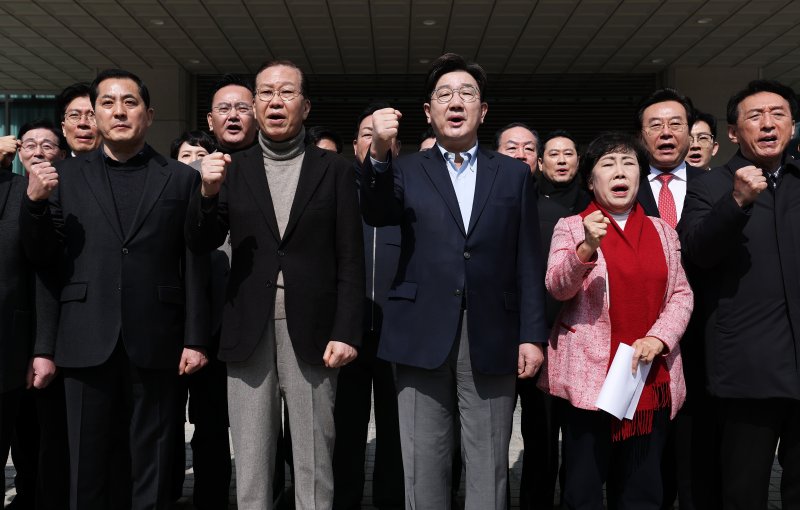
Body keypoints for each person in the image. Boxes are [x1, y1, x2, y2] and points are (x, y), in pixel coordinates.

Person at [361, 52, 547, 510]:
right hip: (419, 330)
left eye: (467, 94)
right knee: (423, 463)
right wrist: (380, 153)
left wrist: (531, 335)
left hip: (492, 332)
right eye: (444, 95)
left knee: (489, 463)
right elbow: (378, 211)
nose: (455, 101)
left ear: (483, 112)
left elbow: (527, 257)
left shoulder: (512, 174)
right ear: (428, 112)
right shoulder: (403, 169)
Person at [21, 68, 210, 510]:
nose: (118, 111)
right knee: (86, 463)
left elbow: (194, 261)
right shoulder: (64, 176)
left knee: (155, 460)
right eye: (107, 102)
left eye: (130, 102)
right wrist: (33, 205)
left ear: (148, 114)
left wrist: (196, 338)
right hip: (85, 336)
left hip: (158, 337)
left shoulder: (180, 178)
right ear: (94, 114)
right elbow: (44, 258)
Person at [185, 59, 364, 510]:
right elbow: (203, 239)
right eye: (264, 93)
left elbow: (350, 257)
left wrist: (346, 329)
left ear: (305, 106)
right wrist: (206, 195)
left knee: (314, 460)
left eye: (286, 93)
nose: (275, 101)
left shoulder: (335, 169)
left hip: (315, 330)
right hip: (247, 327)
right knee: (250, 460)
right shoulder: (232, 167)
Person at [540, 131, 692, 510]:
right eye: (608, 164)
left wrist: (659, 339)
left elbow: (682, 294)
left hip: (648, 379)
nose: (619, 171)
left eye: (628, 163)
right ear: (591, 181)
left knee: (642, 491)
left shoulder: (663, 231)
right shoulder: (572, 226)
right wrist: (587, 247)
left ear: (639, 176)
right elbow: (557, 286)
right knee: (582, 490)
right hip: (591, 379)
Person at [679, 79, 800, 510]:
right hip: (748, 371)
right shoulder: (710, 186)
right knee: (743, 493)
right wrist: (737, 203)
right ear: (733, 132)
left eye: (778, 114)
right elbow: (696, 253)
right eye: (755, 116)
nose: (768, 124)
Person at [332, 102, 404, 510]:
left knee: (395, 431)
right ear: (355, 144)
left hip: (397, 332)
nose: (375, 138)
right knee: (346, 428)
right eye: (365, 132)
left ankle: (391, 501)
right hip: (348, 331)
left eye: (384, 133)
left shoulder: (407, 188)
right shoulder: (338, 188)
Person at [1, 121, 63, 510]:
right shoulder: (7, 189)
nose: (38, 151)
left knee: (33, 446)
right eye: (30, 144)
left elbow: (45, 275)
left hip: (20, 344)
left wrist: (43, 346)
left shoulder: (55, 194)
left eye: (48, 145)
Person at [57, 82, 100, 155]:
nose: (83, 123)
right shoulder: (54, 166)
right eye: (74, 115)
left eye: (92, 115)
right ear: (63, 128)